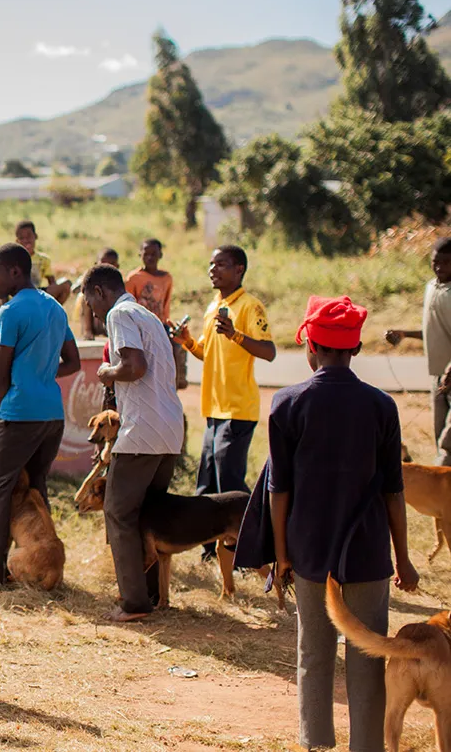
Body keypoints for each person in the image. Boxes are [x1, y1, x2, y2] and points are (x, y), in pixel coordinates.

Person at [268, 296, 419, 752]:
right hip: (369, 553)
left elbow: (280, 491)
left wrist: (280, 556)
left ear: (310, 346)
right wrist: (404, 560)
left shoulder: (286, 403)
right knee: (368, 656)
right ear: (354, 350)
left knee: (313, 654)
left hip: (309, 554)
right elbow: (394, 492)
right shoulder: (381, 406)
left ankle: (315, 743)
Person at [83, 264, 185, 622]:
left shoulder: (120, 313)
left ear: (100, 292)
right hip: (169, 430)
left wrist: (106, 373)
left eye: (90, 304)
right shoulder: (148, 315)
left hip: (142, 431)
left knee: (118, 511)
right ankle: (152, 595)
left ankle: (134, 603)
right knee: (147, 514)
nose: (93, 314)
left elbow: (134, 366)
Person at [0, 244, 80, 584]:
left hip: (19, 413)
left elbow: (1, 375)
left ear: (15, 272)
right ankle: (43, 562)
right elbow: (74, 362)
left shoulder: (10, 311)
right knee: (35, 490)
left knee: (0, 489)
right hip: (52, 414)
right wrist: (42, 375)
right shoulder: (55, 307)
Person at [171, 246, 276, 524]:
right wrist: (188, 342)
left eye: (221, 264)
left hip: (238, 409)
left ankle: (251, 545)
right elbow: (208, 352)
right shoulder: (213, 305)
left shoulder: (250, 306)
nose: (212, 270)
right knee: (207, 485)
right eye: (211, 264)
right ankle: (209, 550)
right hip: (213, 410)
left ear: (239, 269)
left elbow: (269, 351)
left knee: (230, 486)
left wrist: (235, 335)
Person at [384, 237, 451, 465]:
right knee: (439, 433)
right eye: (436, 262)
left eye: (447, 263)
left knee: (447, 443)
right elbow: (432, 330)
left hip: (450, 374)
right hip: (438, 376)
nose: (440, 267)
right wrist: (404, 334)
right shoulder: (432, 287)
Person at [125, 238, 186, 389]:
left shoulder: (166, 278)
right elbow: (129, 305)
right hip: (140, 326)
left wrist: (167, 325)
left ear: (161, 255)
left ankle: (175, 385)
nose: (150, 258)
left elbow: (165, 305)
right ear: (140, 255)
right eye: (146, 254)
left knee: (176, 347)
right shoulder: (133, 278)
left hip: (160, 324)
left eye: (154, 254)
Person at [15, 220, 70, 304]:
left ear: (35, 236)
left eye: (29, 236)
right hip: (19, 295)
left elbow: (52, 283)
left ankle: (52, 312)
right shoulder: (14, 259)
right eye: (22, 238)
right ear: (17, 241)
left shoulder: (43, 259)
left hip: (37, 292)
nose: (26, 240)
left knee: (65, 284)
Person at [74, 248, 119, 340]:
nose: (106, 267)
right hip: (94, 320)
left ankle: (112, 331)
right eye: (103, 263)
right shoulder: (90, 277)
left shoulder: (117, 281)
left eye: (110, 264)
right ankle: (88, 330)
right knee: (85, 297)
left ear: (117, 266)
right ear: (96, 264)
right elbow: (74, 290)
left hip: (108, 320)